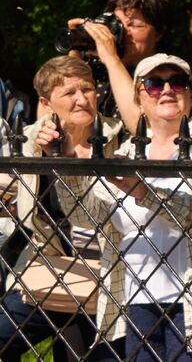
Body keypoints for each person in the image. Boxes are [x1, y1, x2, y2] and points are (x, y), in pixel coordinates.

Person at [73, 53, 192, 361]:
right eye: (154, 84)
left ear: (191, 91)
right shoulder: (127, 151)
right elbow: (84, 215)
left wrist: (144, 191)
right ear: (138, 99)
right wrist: (62, 160)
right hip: (135, 300)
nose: (167, 90)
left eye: (177, 82)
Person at [0, 58, 121, 362]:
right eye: (69, 93)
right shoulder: (27, 140)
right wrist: (38, 155)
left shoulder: (121, 138)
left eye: (88, 89)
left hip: (113, 276)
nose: (82, 99)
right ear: (46, 102)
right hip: (51, 271)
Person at [65, 0, 172, 131]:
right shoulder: (95, 69)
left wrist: (111, 58)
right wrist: (76, 45)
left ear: (159, 33)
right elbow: (55, 111)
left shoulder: (168, 76)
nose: (123, 32)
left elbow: (142, 128)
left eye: (133, 25)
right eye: (117, 24)